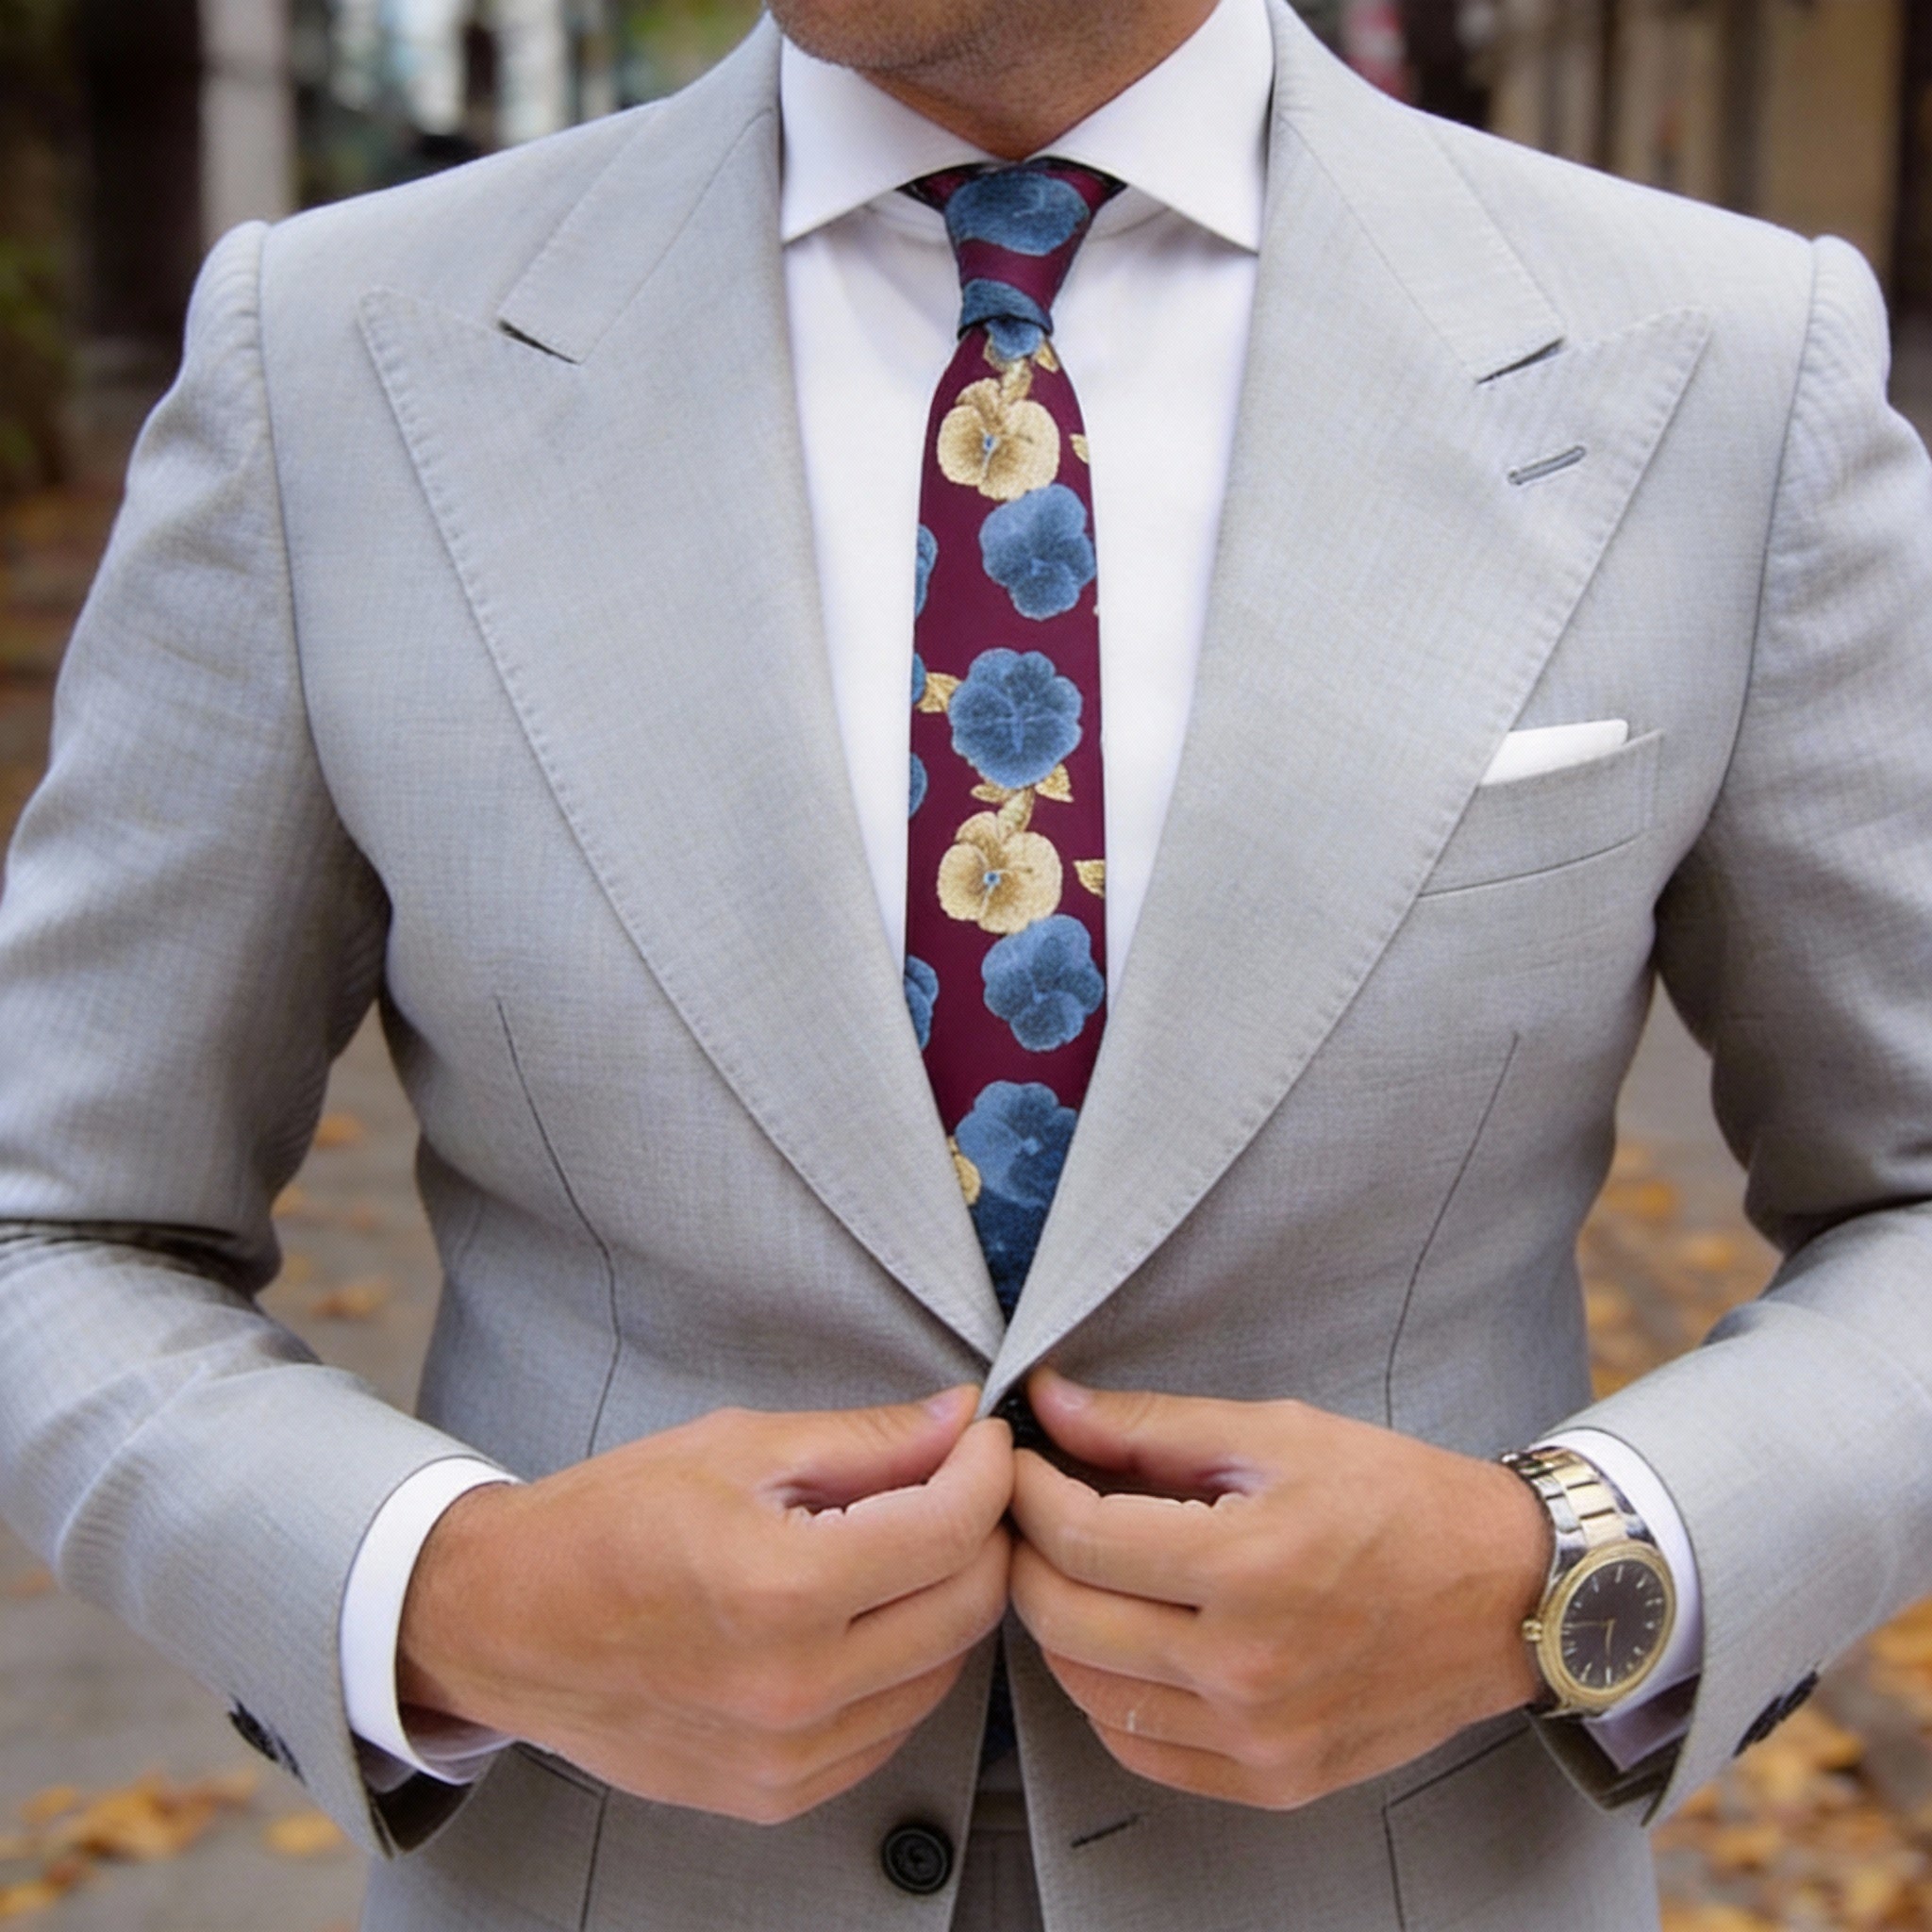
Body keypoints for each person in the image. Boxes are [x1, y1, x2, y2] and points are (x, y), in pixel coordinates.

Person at [1, 0, 1927, 1924]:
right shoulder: (330, 358)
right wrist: (450, 1596)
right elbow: (57, 1224)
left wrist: (1573, 1567)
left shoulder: (1726, 366)